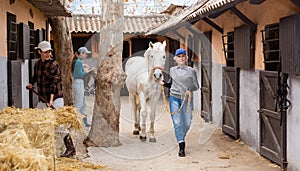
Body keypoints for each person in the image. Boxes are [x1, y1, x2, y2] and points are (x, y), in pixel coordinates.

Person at [26, 40, 76, 158]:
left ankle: (70, 148)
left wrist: (51, 100)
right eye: (45, 52)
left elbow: (54, 82)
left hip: (56, 98)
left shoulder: (54, 64)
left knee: (59, 124)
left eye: (49, 52)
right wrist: (31, 84)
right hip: (43, 99)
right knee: (38, 121)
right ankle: (40, 148)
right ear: (39, 52)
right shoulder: (37, 64)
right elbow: (35, 77)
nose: (48, 54)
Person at [160, 48, 199, 157]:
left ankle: (181, 135)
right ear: (175, 59)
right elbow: (171, 84)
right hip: (174, 98)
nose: (181, 58)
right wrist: (164, 83)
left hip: (186, 99)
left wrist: (189, 88)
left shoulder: (192, 71)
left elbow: (196, 86)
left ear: (186, 58)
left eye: (183, 56)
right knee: (177, 122)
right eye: (179, 56)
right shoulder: (172, 70)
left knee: (186, 122)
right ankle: (181, 145)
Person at [71, 47, 95, 127]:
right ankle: (73, 121)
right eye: (85, 53)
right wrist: (89, 71)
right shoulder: (78, 62)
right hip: (79, 82)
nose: (86, 55)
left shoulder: (79, 61)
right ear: (81, 53)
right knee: (79, 104)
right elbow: (79, 74)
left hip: (79, 82)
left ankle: (84, 121)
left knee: (83, 104)